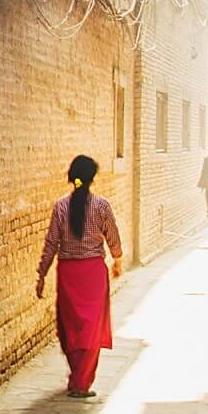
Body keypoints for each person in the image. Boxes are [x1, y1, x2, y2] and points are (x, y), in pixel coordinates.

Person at [35, 155, 123, 398]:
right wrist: (117, 258)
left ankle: (77, 377)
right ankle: (81, 382)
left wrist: (41, 274)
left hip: (68, 273)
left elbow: (51, 243)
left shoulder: (60, 206)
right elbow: (112, 234)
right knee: (91, 328)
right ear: (92, 178)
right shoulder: (102, 205)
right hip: (93, 273)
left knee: (71, 327)